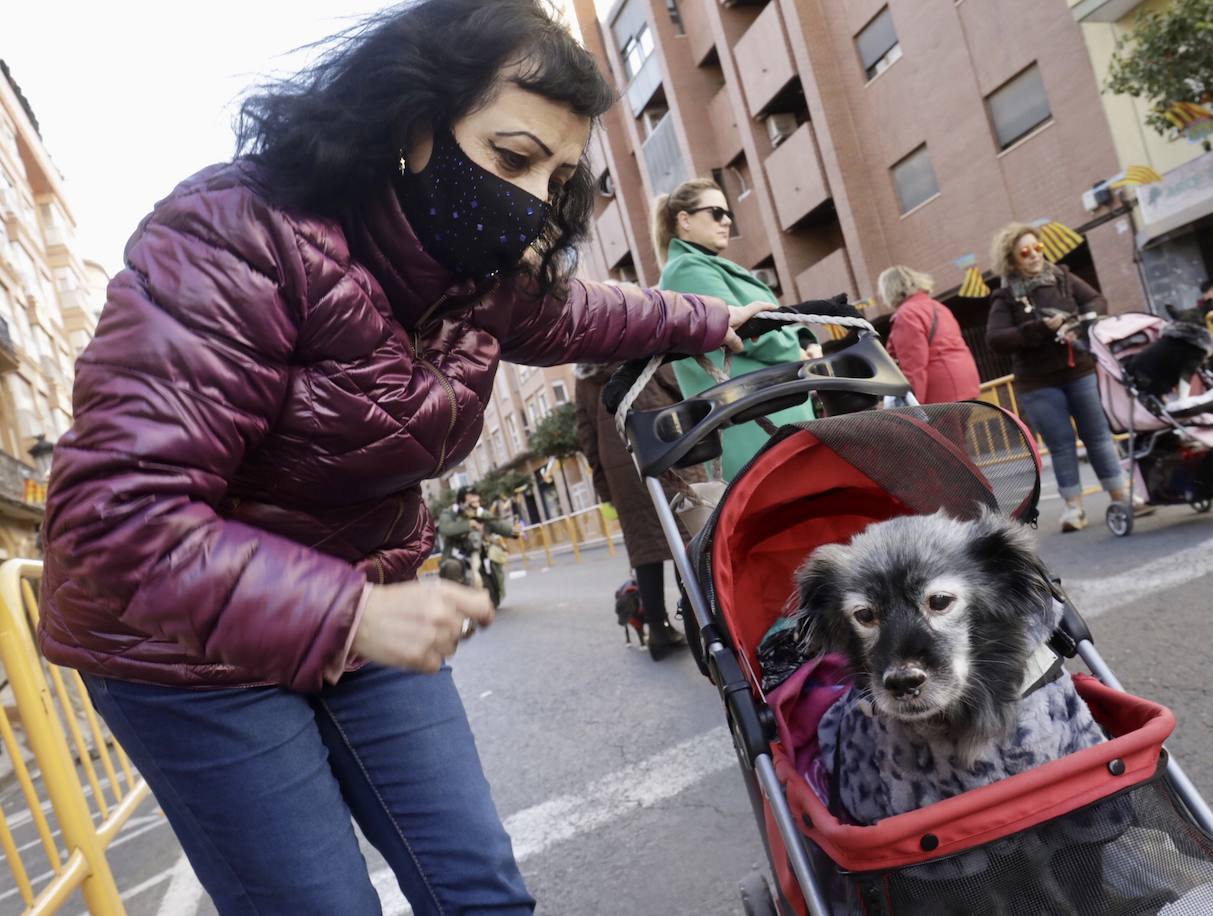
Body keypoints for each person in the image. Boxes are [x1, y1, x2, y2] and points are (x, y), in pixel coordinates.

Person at [34, 3, 771, 912]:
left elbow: (590, 312)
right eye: (511, 157)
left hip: (363, 602)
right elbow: (116, 516)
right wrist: (348, 617)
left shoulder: (483, 277)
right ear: (414, 123)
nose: (536, 195)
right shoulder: (234, 232)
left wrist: (713, 317)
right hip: (184, 654)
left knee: (483, 894)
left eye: (560, 174)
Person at [985, 223, 1150, 532]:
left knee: (1098, 436)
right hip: (1038, 382)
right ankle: (1073, 508)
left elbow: (1097, 301)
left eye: (1038, 248)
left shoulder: (1062, 276)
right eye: (1025, 251)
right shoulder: (1005, 297)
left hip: (1080, 370)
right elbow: (995, 339)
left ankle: (1121, 495)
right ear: (1012, 258)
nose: (1034, 256)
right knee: (1061, 445)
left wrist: (1083, 322)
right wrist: (1037, 329)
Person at [654, 178, 816, 479]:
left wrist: (807, 340)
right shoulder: (685, 269)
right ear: (684, 220)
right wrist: (798, 349)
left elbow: (770, 318)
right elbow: (745, 331)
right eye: (716, 212)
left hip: (766, 413)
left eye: (728, 213)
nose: (726, 221)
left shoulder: (705, 265)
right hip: (754, 422)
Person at [573, 362, 699, 660]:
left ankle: (657, 630)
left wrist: (604, 484)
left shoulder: (584, 374)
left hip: (621, 462)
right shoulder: (641, 341)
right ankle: (696, 623)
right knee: (683, 538)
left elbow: (586, 431)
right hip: (663, 439)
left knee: (645, 550)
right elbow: (678, 386)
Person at [878, 265, 981, 403]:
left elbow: (914, 365)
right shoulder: (938, 306)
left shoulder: (906, 315)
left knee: (941, 425)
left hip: (941, 389)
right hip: (966, 380)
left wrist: (913, 406)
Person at [438, 488, 515, 608]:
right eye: (471, 503)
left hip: (479, 562)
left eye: (477, 501)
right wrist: (469, 524)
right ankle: (455, 601)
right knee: (451, 567)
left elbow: (499, 525)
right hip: (458, 559)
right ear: (461, 503)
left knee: (491, 603)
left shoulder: (481, 514)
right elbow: (446, 529)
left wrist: (513, 531)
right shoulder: (449, 514)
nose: (476, 505)